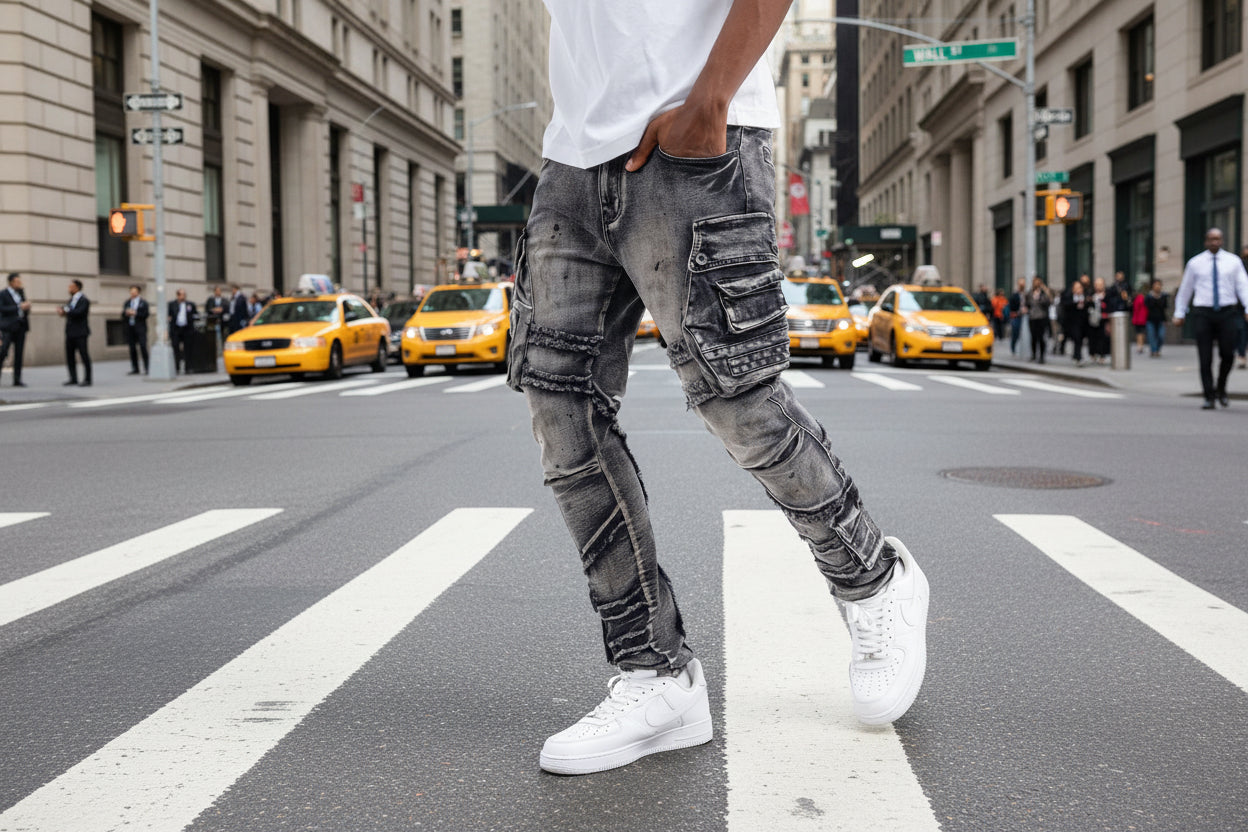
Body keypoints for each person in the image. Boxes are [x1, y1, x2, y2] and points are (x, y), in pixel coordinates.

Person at [509, 0, 929, 777]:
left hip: (698, 136)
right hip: (570, 162)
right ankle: (656, 674)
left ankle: (873, 580)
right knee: (560, 412)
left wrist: (711, 98)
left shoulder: (708, 113)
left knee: (735, 396)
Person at [1174, 228, 1248, 409]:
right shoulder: (1195, 263)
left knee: (1228, 354)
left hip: (1227, 312)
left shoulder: (1233, 261)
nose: (1214, 242)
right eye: (1211, 239)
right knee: (1205, 357)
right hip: (1203, 313)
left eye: (1217, 239)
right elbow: (1185, 290)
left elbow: (1243, 286)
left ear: (1222, 240)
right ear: (1206, 241)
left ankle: (1221, 388)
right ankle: (1209, 396)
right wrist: (1179, 312)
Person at [0, 272, 31, 387]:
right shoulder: (3, 294)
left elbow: (24, 310)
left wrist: (26, 307)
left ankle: (17, 379)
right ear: (11, 282)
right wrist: (18, 307)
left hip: (21, 327)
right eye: (17, 281)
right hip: (8, 327)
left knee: (19, 354)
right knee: (3, 352)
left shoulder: (21, 293)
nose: (19, 283)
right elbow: (2, 308)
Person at [59, 279, 92, 386]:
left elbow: (79, 312)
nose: (69, 289)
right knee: (70, 356)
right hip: (70, 332)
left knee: (84, 355)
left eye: (71, 287)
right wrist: (63, 311)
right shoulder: (71, 300)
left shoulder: (84, 300)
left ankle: (88, 379)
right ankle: (73, 378)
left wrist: (66, 311)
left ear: (77, 287)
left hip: (80, 332)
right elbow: (68, 310)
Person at [168, 288, 198, 374]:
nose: (183, 296)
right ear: (177, 295)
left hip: (187, 329)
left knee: (188, 348)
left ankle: (188, 367)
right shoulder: (172, 304)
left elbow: (195, 314)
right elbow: (169, 315)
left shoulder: (190, 304)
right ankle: (176, 367)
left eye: (184, 295)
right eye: (181, 295)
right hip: (176, 329)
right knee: (175, 347)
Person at [122, 284, 150, 374]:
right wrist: (127, 313)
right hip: (130, 327)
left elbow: (146, 314)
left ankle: (147, 367)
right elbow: (122, 314)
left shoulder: (143, 303)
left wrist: (135, 313)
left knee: (143, 346)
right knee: (132, 348)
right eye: (131, 291)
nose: (132, 293)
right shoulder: (127, 302)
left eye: (134, 291)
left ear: (138, 292)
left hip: (140, 327)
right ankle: (135, 368)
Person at [1062, 279, 1089, 365]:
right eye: (1076, 288)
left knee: (1080, 340)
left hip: (1083, 322)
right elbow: (1065, 307)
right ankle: (1078, 356)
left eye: (1080, 288)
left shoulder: (1085, 297)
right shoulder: (1069, 297)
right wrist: (1075, 303)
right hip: (1072, 323)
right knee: (1077, 338)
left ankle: (1076, 355)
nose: (1078, 290)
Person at [1026, 277, 1052, 363]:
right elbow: (1027, 304)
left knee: (1041, 337)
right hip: (1032, 317)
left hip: (1041, 317)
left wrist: (1041, 297)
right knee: (1033, 337)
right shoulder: (1030, 293)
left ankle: (1042, 356)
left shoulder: (1043, 293)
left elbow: (1048, 302)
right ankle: (1033, 354)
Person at [1087, 277, 1109, 364]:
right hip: (1093, 319)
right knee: (1093, 338)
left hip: (1103, 319)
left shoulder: (1107, 295)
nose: (1098, 286)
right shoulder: (1091, 295)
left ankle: (1102, 355)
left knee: (1102, 338)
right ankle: (1093, 353)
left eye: (1100, 284)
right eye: (1096, 284)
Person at [1143, 279, 1168, 358]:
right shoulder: (1149, 297)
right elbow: (1147, 306)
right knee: (1152, 336)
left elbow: (1164, 308)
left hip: (1161, 319)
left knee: (1161, 336)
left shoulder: (1163, 296)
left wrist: (1165, 320)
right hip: (1150, 319)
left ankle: (1157, 349)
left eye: (1159, 285)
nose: (1157, 287)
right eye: (1156, 285)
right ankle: (1154, 351)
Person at [1008, 277, 1026, 355]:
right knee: (1015, 332)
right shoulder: (1015, 295)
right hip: (1016, 316)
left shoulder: (1027, 294)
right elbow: (1011, 305)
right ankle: (1013, 347)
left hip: (1026, 316)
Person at [1131, 280, 1149, 354]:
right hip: (1143, 318)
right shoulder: (1146, 297)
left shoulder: (1139, 298)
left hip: (1139, 318)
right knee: (1141, 332)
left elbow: (1135, 308)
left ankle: (1140, 346)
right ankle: (1141, 345)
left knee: (1139, 333)